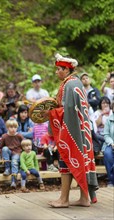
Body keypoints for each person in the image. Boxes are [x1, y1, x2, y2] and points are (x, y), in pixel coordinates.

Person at [46, 53, 98, 208]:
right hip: (81, 131)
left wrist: (50, 113)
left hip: (72, 131)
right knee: (81, 162)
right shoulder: (75, 83)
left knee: (66, 162)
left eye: (58, 69)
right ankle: (84, 198)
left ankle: (64, 199)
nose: (56, 72)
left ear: (66, 70)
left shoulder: (70, 85)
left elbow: (68, 110)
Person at [0, 119, 24, 188]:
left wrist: (23, 154)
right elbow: (0, 148)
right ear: (7, 127)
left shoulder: (19, 136)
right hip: (8, 153)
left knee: (14, 162)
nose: (13, 129)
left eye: (15, 127)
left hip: (17, 153)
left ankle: (13, 180)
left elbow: (24, 145)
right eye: (11, 127)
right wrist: (2, 155)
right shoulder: (4, 136)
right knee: (5, 148)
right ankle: (7, 169)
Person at [102, 102, 114, 187]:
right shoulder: (109, 120)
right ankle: (111, 180)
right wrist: (112, 143)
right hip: (110, 143)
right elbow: (106, 135)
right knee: (107, 153)